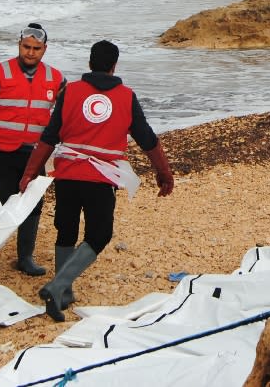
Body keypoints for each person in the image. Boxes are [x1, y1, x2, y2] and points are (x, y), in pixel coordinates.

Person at [19, 40, 174, 321]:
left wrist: (30, 172)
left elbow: (49, 136)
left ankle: (63, 292)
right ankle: (57, 287)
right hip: (100, 177)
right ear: (114, 66)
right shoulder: (126, 96)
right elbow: (147, 138)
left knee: (66, 229)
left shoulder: (71, 92)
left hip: (66, 174)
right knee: (99, 235)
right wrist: (163, 172)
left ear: (90, 63)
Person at [0, 23, 65, 277]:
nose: (30, 52)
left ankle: (25, 258)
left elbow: (65, 115)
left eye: (36, 48)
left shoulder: (56, 78)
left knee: (32, 204)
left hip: (36, 153)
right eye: (26, 47)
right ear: (19, 45)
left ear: (45, 49)